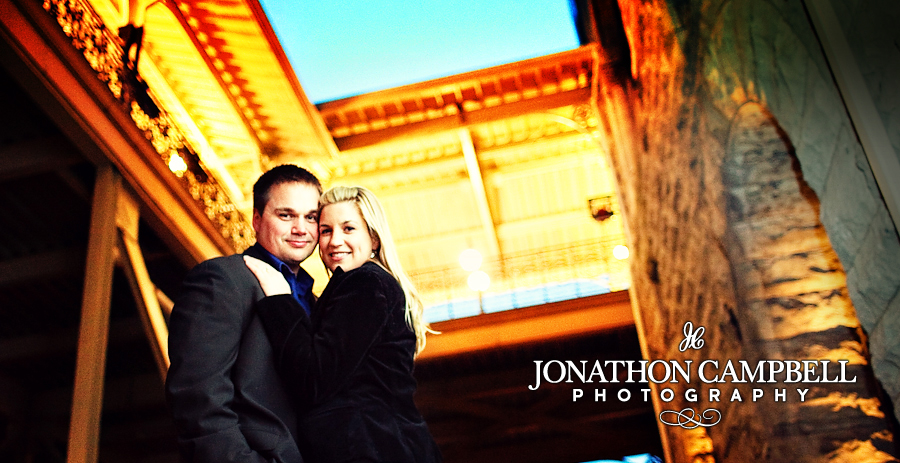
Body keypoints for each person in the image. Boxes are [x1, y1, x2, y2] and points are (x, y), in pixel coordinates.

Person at [244, 186, 442, 463]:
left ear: (374, 239)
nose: (335, 241)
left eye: (348, 229)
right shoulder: (359, 286)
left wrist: (279, 300)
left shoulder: (365, 283)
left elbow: (314, 378)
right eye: (326, 231)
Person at [166, 165, 322, 463]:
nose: (301, 228)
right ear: (256, 220)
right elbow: (198, 395)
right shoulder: (223, 278)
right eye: (286, 215)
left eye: (311, 217)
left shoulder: (316, 302)